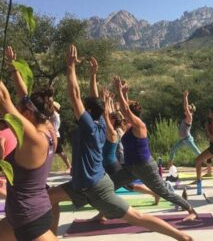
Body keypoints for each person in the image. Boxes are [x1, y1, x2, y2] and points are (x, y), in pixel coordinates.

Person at [47, 45, 193, 241]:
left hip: (96, 186)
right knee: (49, 198)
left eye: (84, 108)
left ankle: (183, 237)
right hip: (82, 184)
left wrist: (70, 66)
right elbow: (94, 100)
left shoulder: (91, 126)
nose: (78, 109)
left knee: (137, 216)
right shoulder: (98, 121)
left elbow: (75, 95)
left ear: (88, 112)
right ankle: (52, 237)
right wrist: (93, 74)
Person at [110, 76, 197, 222]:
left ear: (132, 115)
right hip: (131, 168)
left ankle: (191, 210)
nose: (124, 116)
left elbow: (125, 109)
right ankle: (103, 213)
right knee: (108, 186)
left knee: (163, 192)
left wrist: (119, 90)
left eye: (127, 115)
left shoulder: (139, 125)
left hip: (145, 167)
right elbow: (126, 109)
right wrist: (124, 94)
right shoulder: (131, 125)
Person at [0, 46, 58, 240]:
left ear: (27, 114)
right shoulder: (50, 130)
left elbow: (4, 101)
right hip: (29, 214)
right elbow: (24, 96)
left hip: (29, 221)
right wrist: (12, 67)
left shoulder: (34, 139)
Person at [100, 89, 159, 204]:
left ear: (113, 121)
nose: (107, 119)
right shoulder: (116, 128)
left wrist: (106, 101)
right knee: (107, 185)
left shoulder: (114, 132)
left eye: (110, 118)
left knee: (128, 186)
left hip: (114, 163)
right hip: (109, 163)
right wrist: (108, 101)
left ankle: (154, 193)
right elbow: (111, 114)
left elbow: (107, 114)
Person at [168, 90, 201, 168]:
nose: (185, 110)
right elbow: (185, 107)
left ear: (190, 111)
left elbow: (185, 107)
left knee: (198, 153)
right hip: (183, 140)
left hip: (187, 139)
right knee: (173, 150)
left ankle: (208, 165)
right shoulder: (187, 117)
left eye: (188, 109)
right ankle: (170, 166)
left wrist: (185, 96)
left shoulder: (190, 117)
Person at [50, 101, 72, 173]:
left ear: (55, 108)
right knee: (52, 153)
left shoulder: (55, 115)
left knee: (60, 152)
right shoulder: (53, 115)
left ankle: (69, 166)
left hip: (55, 136)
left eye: (52, 106)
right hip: (53, 136)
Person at [0, 120, 17, 199]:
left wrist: (1, 159)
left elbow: (1, 143)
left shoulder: (1, 133)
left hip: (6, 163)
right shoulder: (13, 132)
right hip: (16, 162)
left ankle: (12, 199)